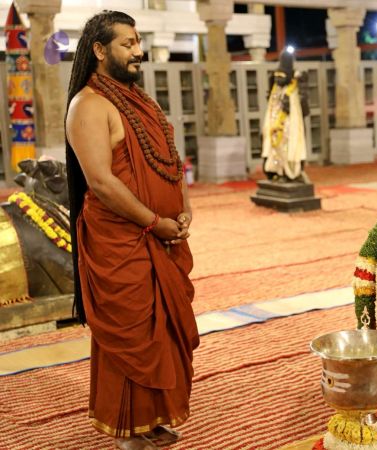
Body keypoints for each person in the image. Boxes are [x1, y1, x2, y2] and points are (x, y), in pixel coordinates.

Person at [64, 11, 199, 450]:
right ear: (99, 50)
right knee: (131, 335)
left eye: (138, 42)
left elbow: (170, 158)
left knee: (161, 333)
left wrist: (184, 208)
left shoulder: (142, 101)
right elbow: (102, 182)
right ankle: (127, 429)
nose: (138, 51)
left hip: (161, 238)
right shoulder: (88, 105)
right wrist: (154, 223)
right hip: (120, 241)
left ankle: (154, 417)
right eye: (127, 44)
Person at [261, 50, 310, 182]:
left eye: (281, 76)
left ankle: (291, 173)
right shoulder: (275, 87)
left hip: (290, 125)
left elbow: (303, 105)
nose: (278, 79)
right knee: (274, 149)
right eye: (277, 76)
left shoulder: (295, 85)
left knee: (289, 149)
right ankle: (277, 172)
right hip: (275, 124)